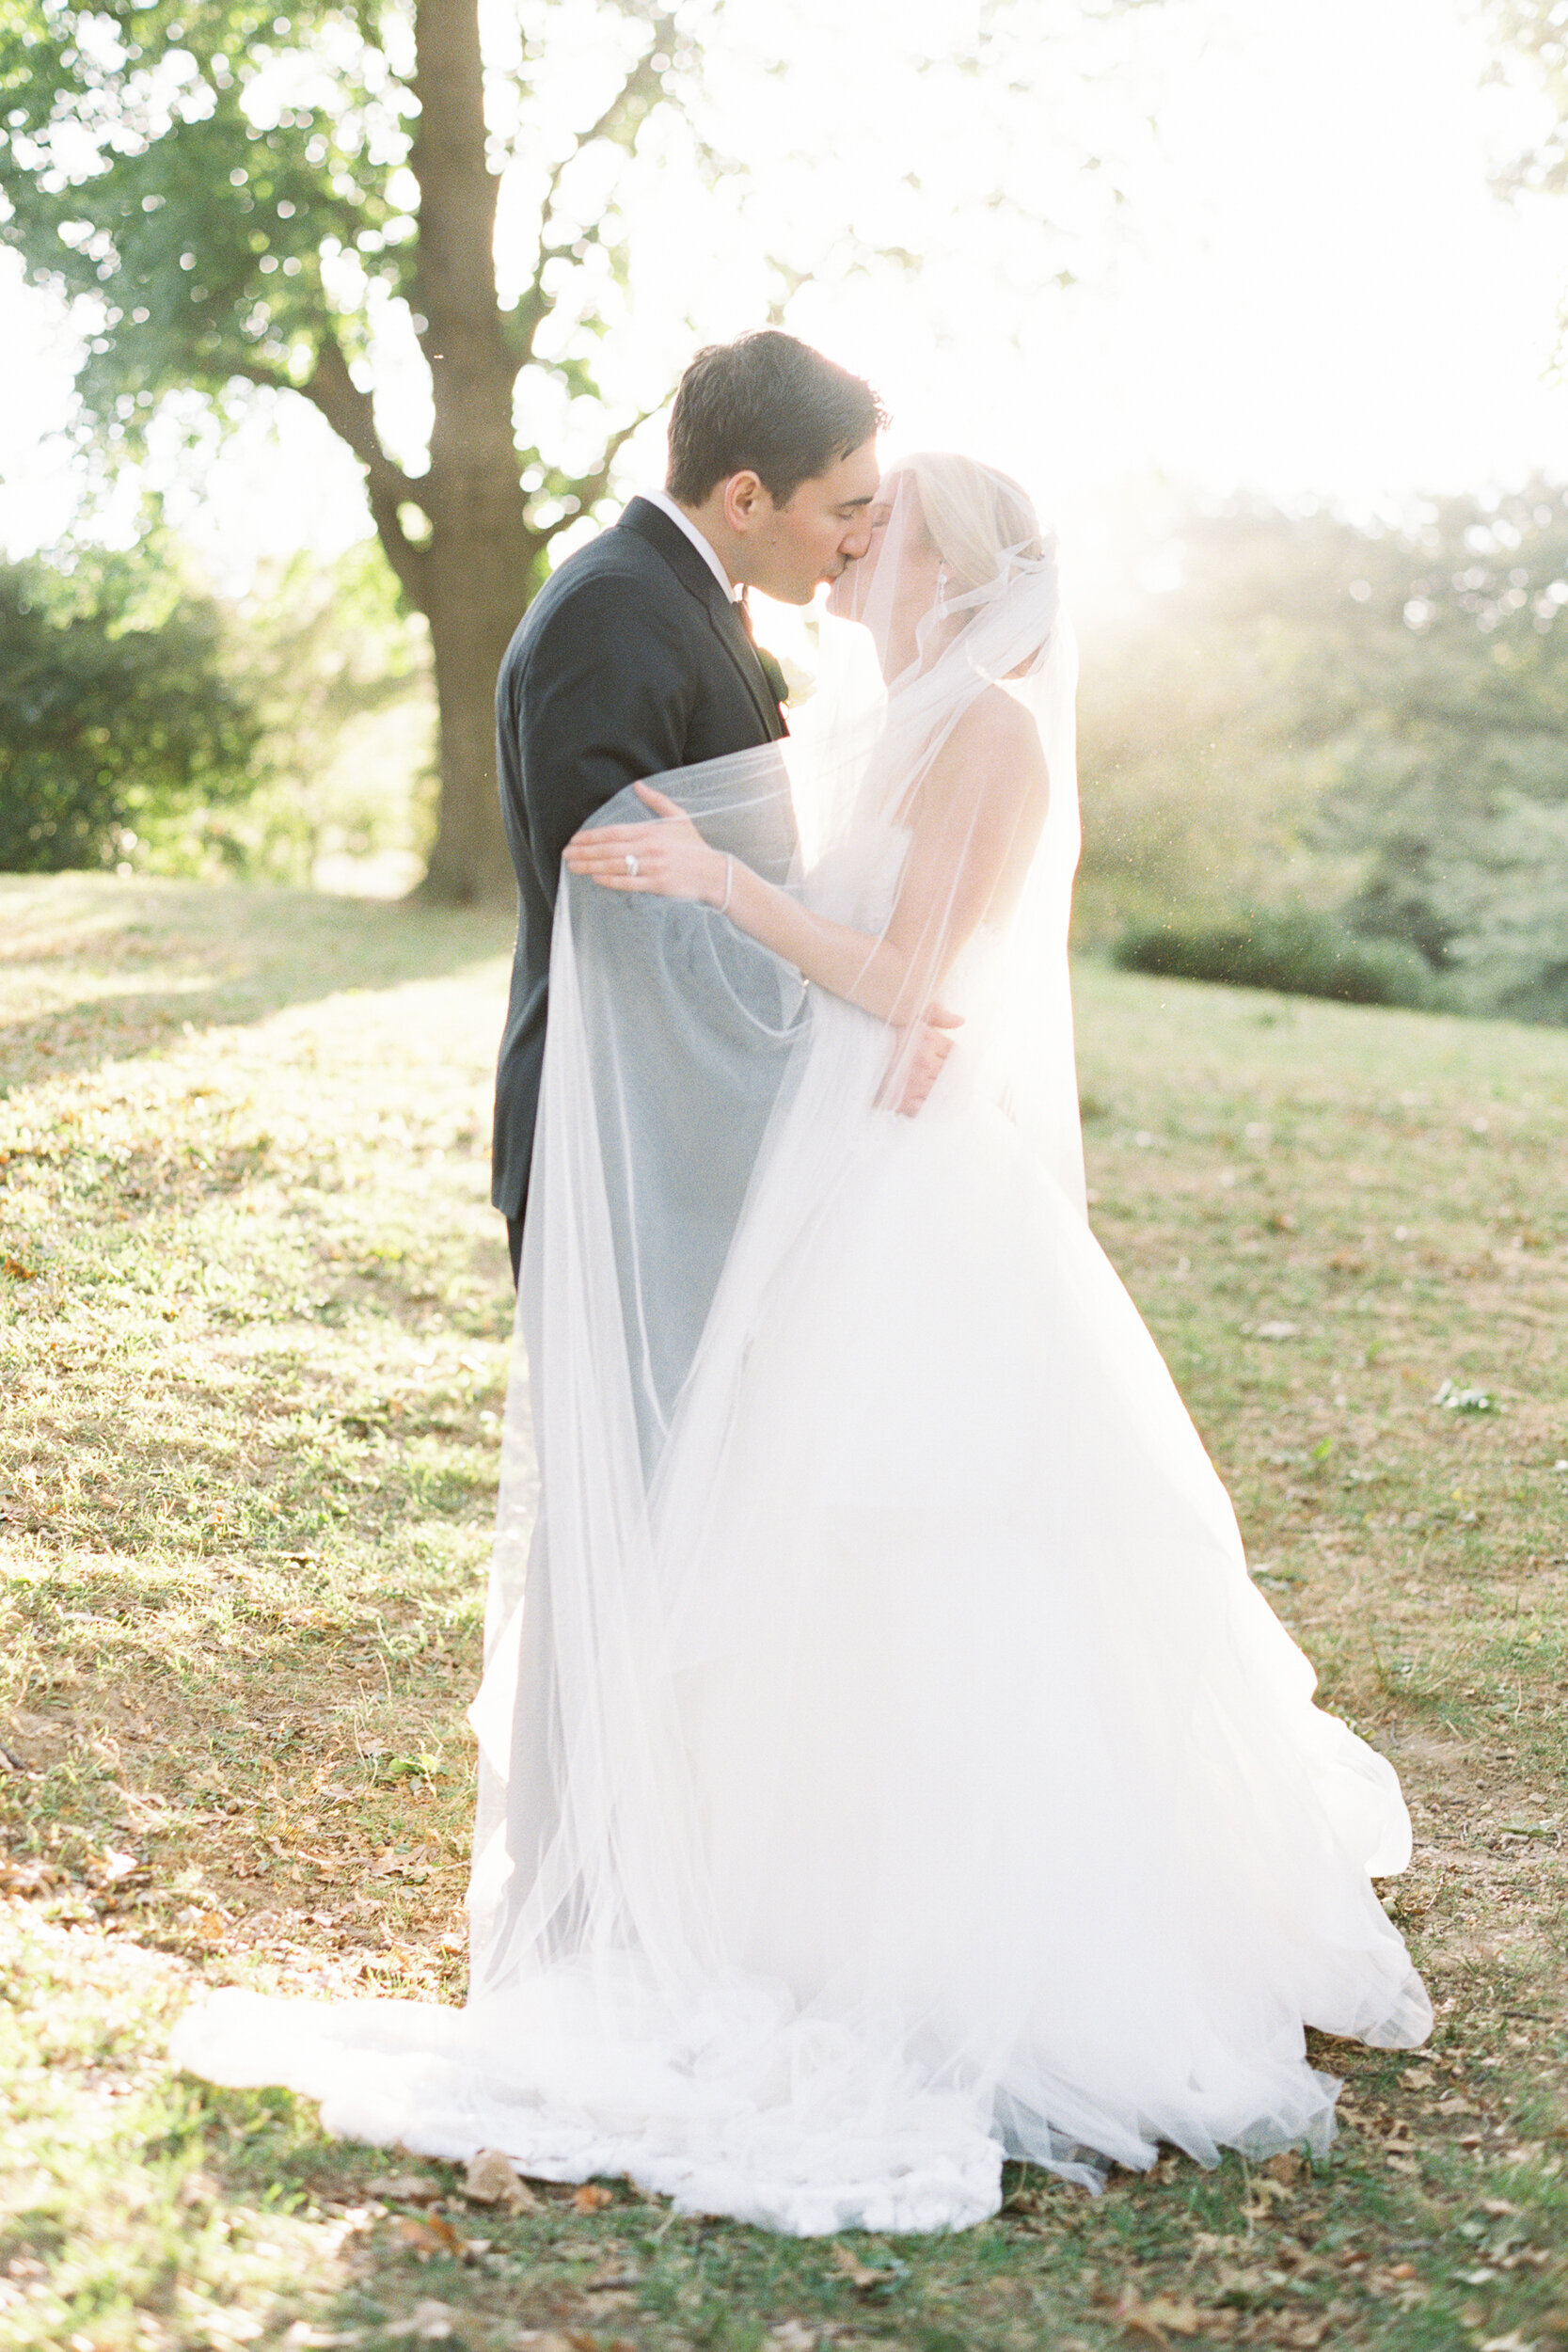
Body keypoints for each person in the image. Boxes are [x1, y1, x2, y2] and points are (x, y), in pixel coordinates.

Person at [172, 453, 1430, 2238]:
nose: (854, 545)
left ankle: (969, 1938)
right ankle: (789, 1903)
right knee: (800, 1539)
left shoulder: (985, 726)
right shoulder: (886, 706)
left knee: (920, 1543)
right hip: (840, 1168)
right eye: (847, 514)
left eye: (881, 524)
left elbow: (918, 980)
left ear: (951, 559)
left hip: (913, 1206)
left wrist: (713, 883)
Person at [489, 327, 951, 1290]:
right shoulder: (615, 612)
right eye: (844, 511)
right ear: (745, 497)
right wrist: (835, 1057)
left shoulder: (686, 604)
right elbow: (628, 913)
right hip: (620, 1129)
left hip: (688, 1130)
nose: (859, 541)